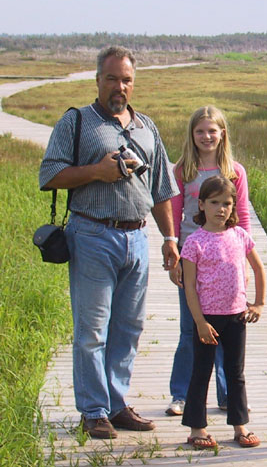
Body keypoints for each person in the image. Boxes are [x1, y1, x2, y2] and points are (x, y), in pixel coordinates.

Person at [39, 45, 180, 439]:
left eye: (127, 79)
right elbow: (49, 175)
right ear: (98, 79)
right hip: (92, 234)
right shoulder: (77, 122)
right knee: (92, 330)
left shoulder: (146, 127)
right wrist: (97, 172)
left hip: (137, 238)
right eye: (113, 78)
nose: (120, 86)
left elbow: (162, 189)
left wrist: (170, 238)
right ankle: (93, 410)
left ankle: (116, 404)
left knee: (129, 328)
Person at [165, 106, 251, 416]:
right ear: (192, 135)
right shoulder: (182, 171)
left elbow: (242, 217)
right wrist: (172, 250)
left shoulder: (234, 171)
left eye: (212, 130)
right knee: (191, 328)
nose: (206, 136)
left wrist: (243, 261)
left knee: (227, 329)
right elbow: (175, 215)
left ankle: (227, 395)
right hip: (192, 254)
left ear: (222, 134)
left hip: (227, 259)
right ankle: (181, 394)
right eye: (200, 131)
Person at [180, 176, 265, 449]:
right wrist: (200, 322)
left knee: (235, 372)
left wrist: (258, 303)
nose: (221, 209)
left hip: (237, 315)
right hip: (208, 319)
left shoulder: (240, 236)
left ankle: (240, 426)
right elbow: (190, 288)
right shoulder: (194, 243)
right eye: (214, 202)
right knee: (201, 371)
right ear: (201, 204)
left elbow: (259, 269)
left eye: (227, 203)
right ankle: (197, 428)